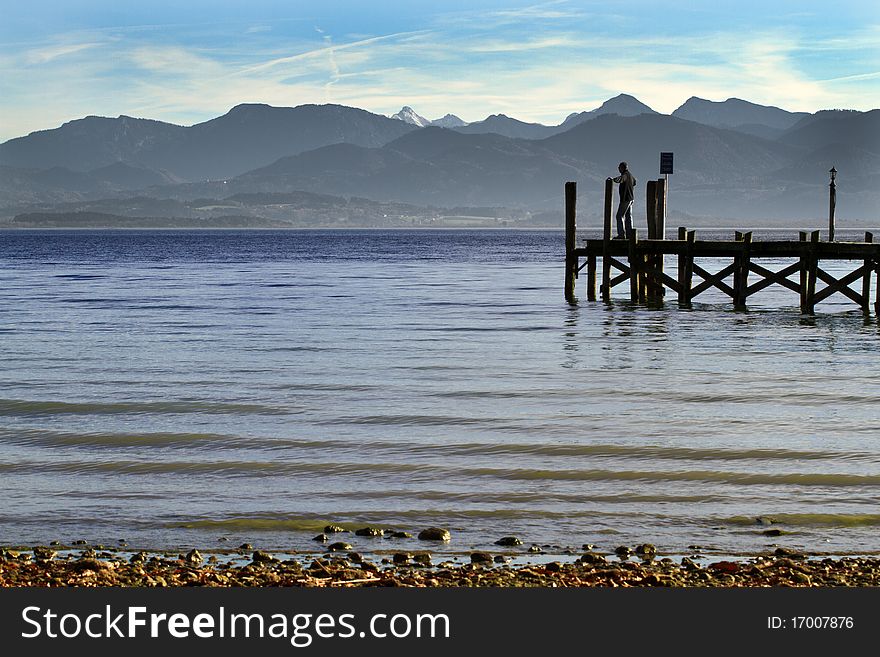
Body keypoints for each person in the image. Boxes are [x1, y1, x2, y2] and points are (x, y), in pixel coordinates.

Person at [608, 162, 637, 239]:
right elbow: (634, 182)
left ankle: (621, 235)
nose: (618, 169)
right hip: (631, 199)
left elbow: (621, 179)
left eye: (619, 167)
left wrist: (613, 180)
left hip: (625, 199)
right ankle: (630, 235)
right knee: (628, 217)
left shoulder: (625, 175)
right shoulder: (630, 175)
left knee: (619, 216)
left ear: (622, 168)